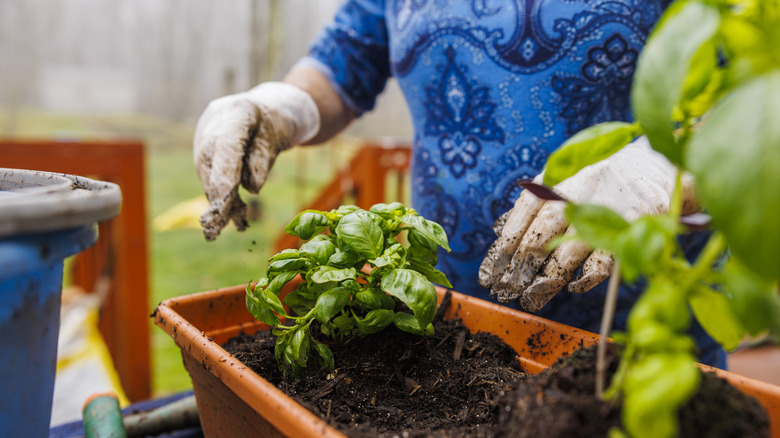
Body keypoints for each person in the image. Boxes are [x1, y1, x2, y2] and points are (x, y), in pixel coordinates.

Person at [193, 0, 725, 367]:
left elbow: (752, 97)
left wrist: (661, 169)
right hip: (455, 330)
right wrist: (282, 106)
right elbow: (344, 62)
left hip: (642, 327)